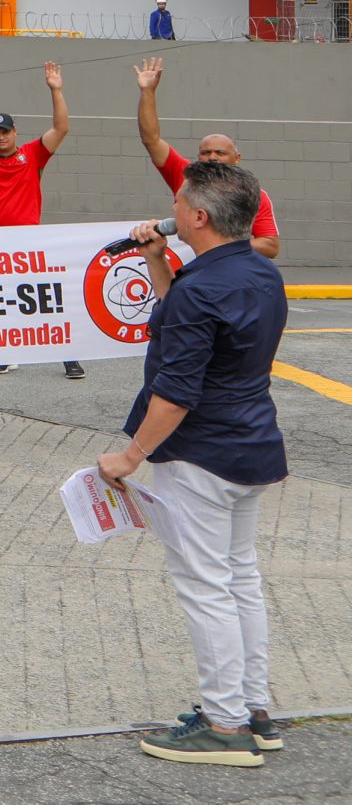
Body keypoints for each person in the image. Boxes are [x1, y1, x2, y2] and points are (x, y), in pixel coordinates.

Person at [100, 162, 288, 768]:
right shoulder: (258, 274)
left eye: (179, 203)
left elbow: (176, 389)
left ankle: (224, 725)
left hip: (200, 457)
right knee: (239, 579)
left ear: (199, 217)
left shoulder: (203, 289)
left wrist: (129, 458)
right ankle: (252, 709)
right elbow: (193, 324)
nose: (173, 210)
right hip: (251, 447)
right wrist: (159, 261)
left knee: (206, 588)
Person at [0, 63, 85, 379]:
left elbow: (62, 127)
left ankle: (70, 356)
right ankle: (3, 353)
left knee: (44, 298)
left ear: (15, 132)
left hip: (27, 239)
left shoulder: (33, 154)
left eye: (6, 131)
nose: (1, 137)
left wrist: (55, 89)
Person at [135, 58, 280, 259]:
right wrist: (147, 92)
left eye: (220, 153)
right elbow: (151, 140)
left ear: (236, 158)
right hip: (188, 272)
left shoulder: (253, 193)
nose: (212, 157)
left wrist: (219, 244)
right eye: (206, 153)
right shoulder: (185, 176)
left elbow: (270, 246)